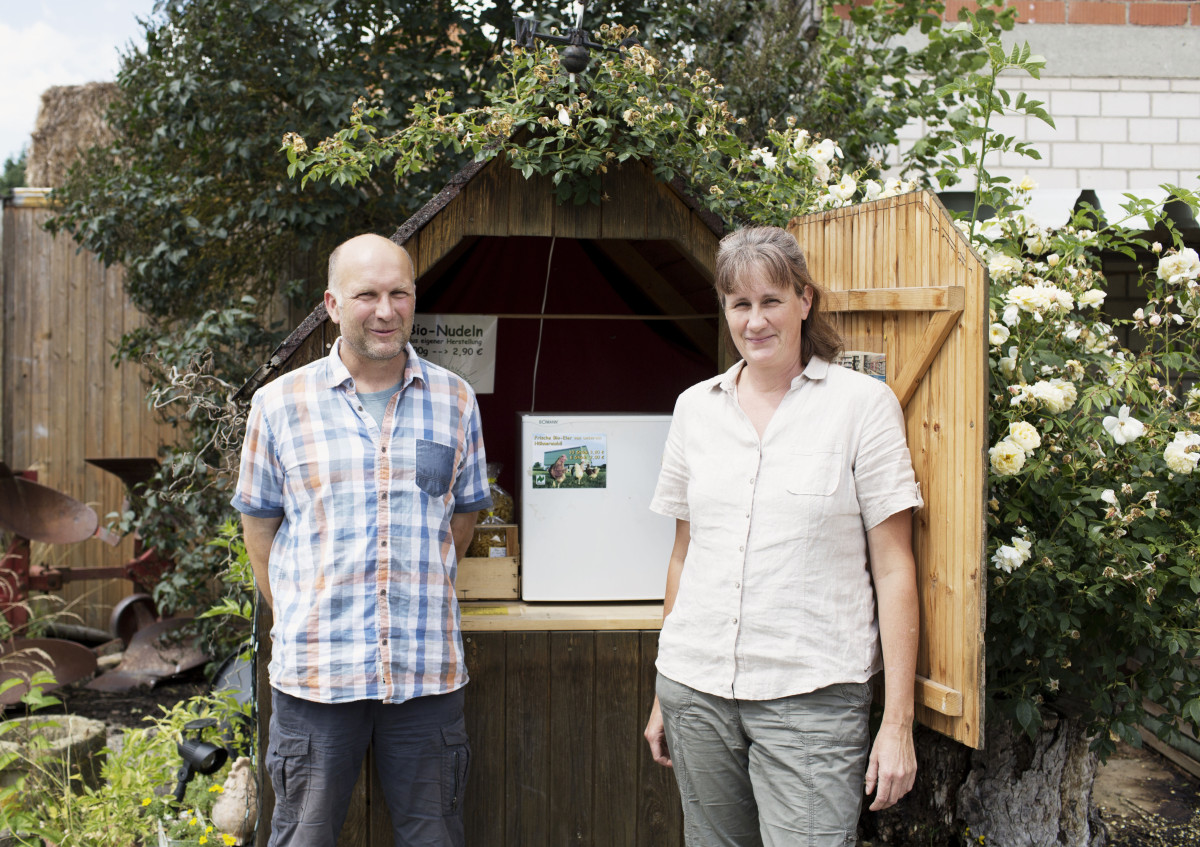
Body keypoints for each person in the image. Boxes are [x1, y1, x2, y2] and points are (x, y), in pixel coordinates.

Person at [643, 226, 922, 846]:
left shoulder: (861, 406)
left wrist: (897, 721)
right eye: (740, 304)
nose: (756, 320)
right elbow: (686, 555)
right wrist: (665, 688)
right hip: (696, 691)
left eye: (771, 300)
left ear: (805, 300)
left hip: (812, 700)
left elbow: (895, 566)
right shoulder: (695, 408)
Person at [232, 233, 492, 847]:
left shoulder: (455, 400)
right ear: (331, 304)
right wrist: (301, 613)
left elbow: (463, 518)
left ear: (413, 298)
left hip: (425, 674)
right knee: (303, 836)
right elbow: (260, 532)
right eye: (366, 294)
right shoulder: (278, 406)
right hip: (316, 678)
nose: (385, 310)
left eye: (399, 293)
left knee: (434, 835)